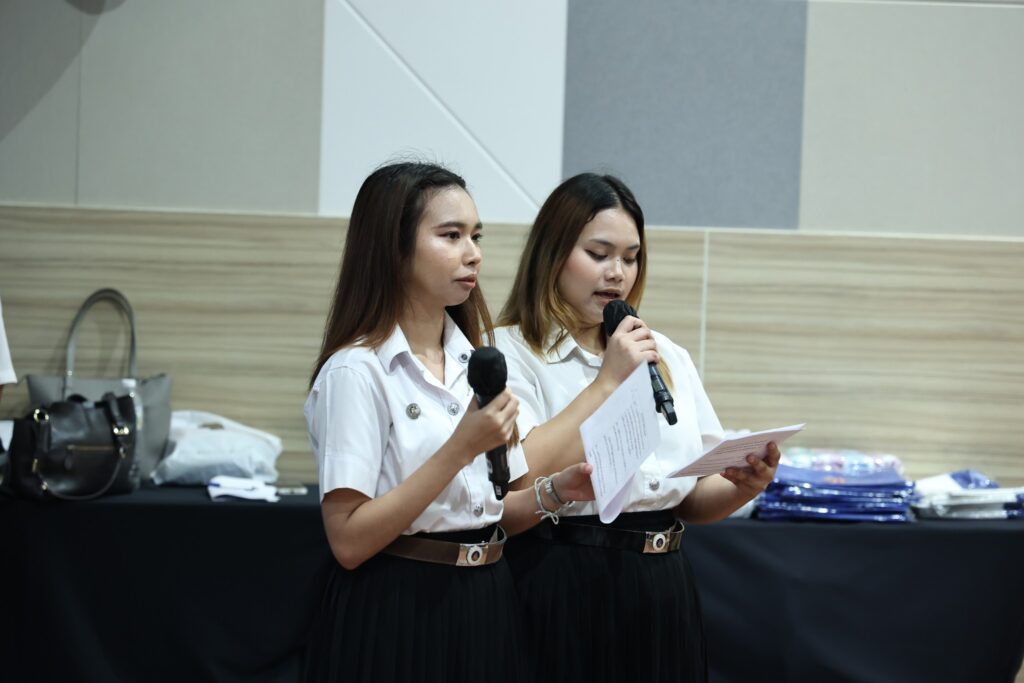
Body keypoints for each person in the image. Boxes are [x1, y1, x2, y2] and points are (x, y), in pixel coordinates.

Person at [302, 162, 593, 683]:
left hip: (486, 599)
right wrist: (459, 449)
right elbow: (348, 540)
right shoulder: (357, 371)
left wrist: (553, 493)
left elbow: (484, 512)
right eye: (451, 235)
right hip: (397, 606)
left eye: (476, 236)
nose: (473, 253)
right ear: (394, 248)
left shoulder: (476, 361)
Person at [495, 173, 781, 683]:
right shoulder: (510, 350)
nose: (617, 273)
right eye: (598, 254)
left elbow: (688, 498)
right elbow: (523, 474)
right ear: (552, 254)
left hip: (661, 581)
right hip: (560, 574)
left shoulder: (665, 354)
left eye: (631, 258)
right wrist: (607, 382)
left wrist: (743, 485)